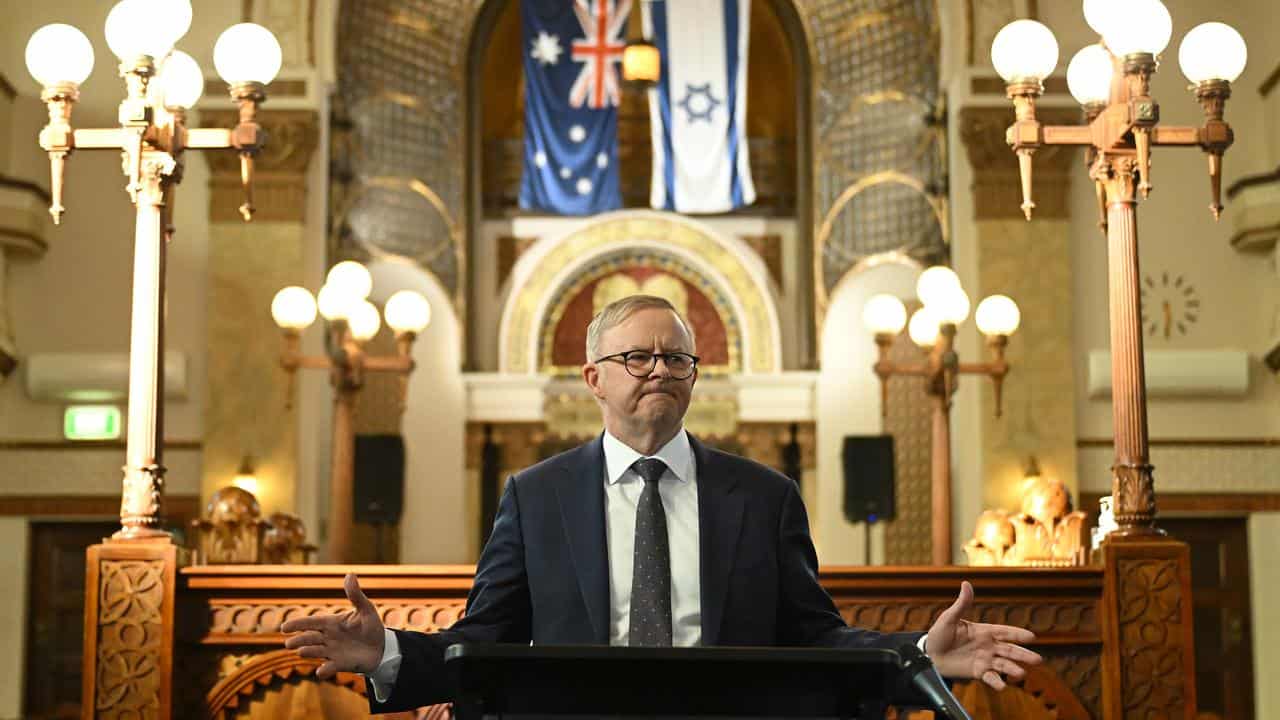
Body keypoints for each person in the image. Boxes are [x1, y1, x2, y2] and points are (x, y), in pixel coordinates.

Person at [283, 295, 1042, 714]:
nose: (659, 369)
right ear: (593, 378)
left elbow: (816, 639)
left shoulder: (764, 497)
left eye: (677, 356)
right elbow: (483, 643)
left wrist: (917, 657)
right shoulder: (536, 495)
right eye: (636, 356)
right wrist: (384, 654)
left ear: (694, 377)